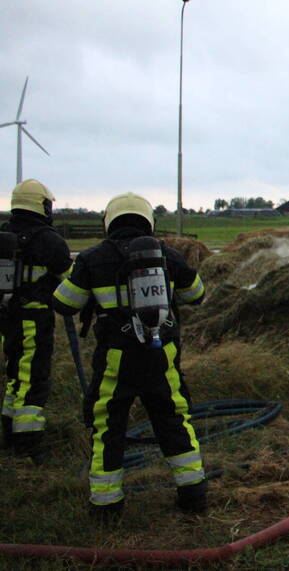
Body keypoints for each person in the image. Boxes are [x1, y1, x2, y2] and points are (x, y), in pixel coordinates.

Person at [53, 192, 207, 518]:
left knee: (108, 427)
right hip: (160, 354)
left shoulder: (92, 258)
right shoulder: (167, 254)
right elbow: (197, 294)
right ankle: (193, 496)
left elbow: (65, 303)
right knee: (174, 419)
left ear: (109, 221)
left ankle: (107, 507)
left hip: (116, 358)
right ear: (148, 220)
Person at [1, 179, 72, 463]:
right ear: (40, 204)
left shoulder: (5, 235)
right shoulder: (48, 239)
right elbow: (69, 281)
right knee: (33, 378)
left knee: (15, 372)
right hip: (34, 318)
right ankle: (27, 443)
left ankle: (8, 428)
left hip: (7, 317)